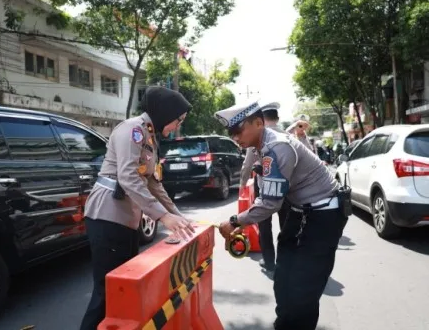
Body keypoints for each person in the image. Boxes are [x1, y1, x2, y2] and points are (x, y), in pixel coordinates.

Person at [214, 100, 350, 330]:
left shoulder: (277, 147)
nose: (234, 137)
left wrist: (236, 221)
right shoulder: (260, 146)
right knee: (284, 278)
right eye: (230, 132)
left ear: (258, 123)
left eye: (238, 130)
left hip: (322, 215)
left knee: (303, 289)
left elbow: (270, 202)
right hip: (301, 212)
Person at [79, 86, 195, 330]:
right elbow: (128, 177)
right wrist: (163, 217)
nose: (178, 126)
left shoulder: (150, 138)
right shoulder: (133, 130)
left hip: (126, 218)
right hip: (107, 216)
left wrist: (178, 217)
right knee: (107, 292)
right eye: (178, 120)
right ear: (166, 113)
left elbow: (154, 184)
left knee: (125, 288)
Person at [238, 102, 289, 272]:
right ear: (277, 118)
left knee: (264, 225)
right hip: (288, 189)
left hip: (265, 187)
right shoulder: (288, 136)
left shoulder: (258, 136)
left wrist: (242, 185)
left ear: (261, 120)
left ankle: (269, 262)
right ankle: (286, 262)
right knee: (287, 225)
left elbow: (247, 165)